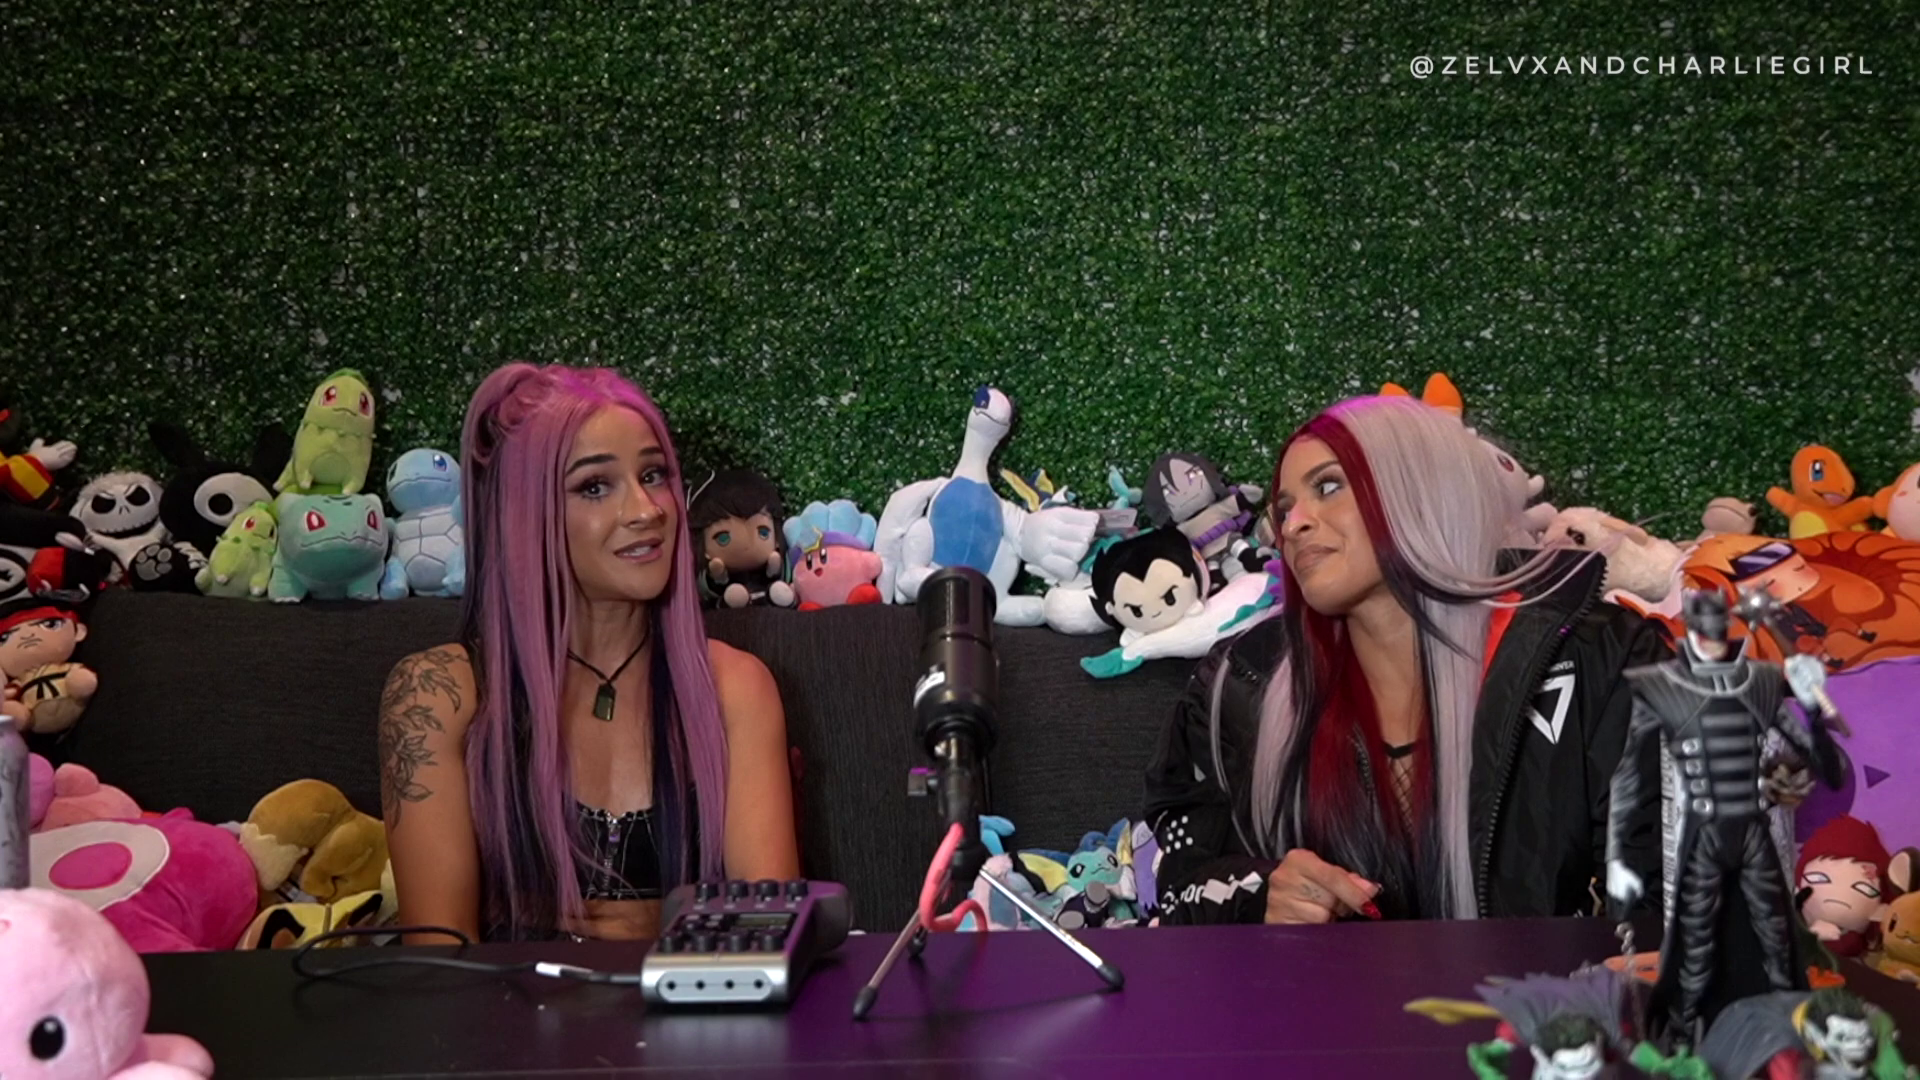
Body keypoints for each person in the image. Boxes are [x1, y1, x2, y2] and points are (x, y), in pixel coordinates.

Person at [1143, 394, 1671, 926]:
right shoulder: (1239, 683)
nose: (1293, 524)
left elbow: (1677, 894)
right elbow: (1180, 879)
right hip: (1323, 985)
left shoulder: (1602, 660)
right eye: (1283, 509)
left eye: (1328, 487)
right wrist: (1261, 896)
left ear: (1423, 493)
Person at [381, 364, 800, 942]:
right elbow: (437, 960)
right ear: (522, 514)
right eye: (595, 486)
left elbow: (766, 941)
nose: (647, 510)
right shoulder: (437, 696)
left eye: (653, 475)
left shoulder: (735, 689)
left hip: (685, 1002)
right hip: (497, 1002)